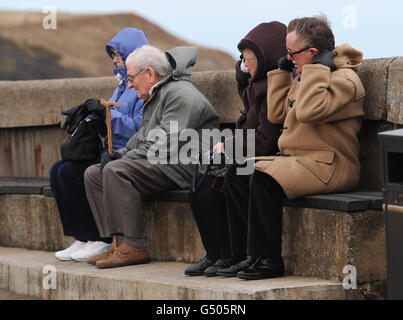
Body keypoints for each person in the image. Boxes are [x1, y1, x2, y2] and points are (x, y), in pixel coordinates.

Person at [222, 15, 366, 280]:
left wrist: (314, 71)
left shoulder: (344, 80)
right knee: (238, 172)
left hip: (329, 165)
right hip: (299, 161)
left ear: (312, 52)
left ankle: (268, 260)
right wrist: (280, 74)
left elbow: (310, 111)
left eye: (292, 53)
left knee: (264, 180)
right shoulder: (308, 74)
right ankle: (246, 255)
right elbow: (277, 116)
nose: (289, 58)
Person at [84, 45, 220, 269]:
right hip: (164, 161)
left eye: (131, 78)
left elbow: (167, 143)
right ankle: (118, 242)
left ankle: (135, 246)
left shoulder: (180, 95)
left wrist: (122, 159)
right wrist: (121, 153)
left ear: (149, 73)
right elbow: (143, 137)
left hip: (185, 165)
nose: (129, 84)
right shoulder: (158, 93)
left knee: (116, 170)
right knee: (93, 174)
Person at [184, 22, 287, 277]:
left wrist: (228, 147)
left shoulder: (272, 88)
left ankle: (237, 253)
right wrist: (243, 71)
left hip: (262, 156)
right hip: (247, 153)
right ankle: (217, 252)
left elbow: (266, 139)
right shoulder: (255, 86)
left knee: (232, 176)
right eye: (242, 60)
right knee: (203, 178)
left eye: (249, 60)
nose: (245, 64)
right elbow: (245, 97)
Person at [51, 28, 148, 262]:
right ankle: (83, 236)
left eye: (119, 55)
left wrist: (105, 115)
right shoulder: (123, 85)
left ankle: (100, 238)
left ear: (133, 54)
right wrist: (92, 118)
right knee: (58, 170)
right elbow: (113, 117)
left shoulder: (140, 87)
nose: (115, 60)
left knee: (75, 173)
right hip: (111, 149)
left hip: (127, 154)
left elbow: (138, 128)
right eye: (113, 55)